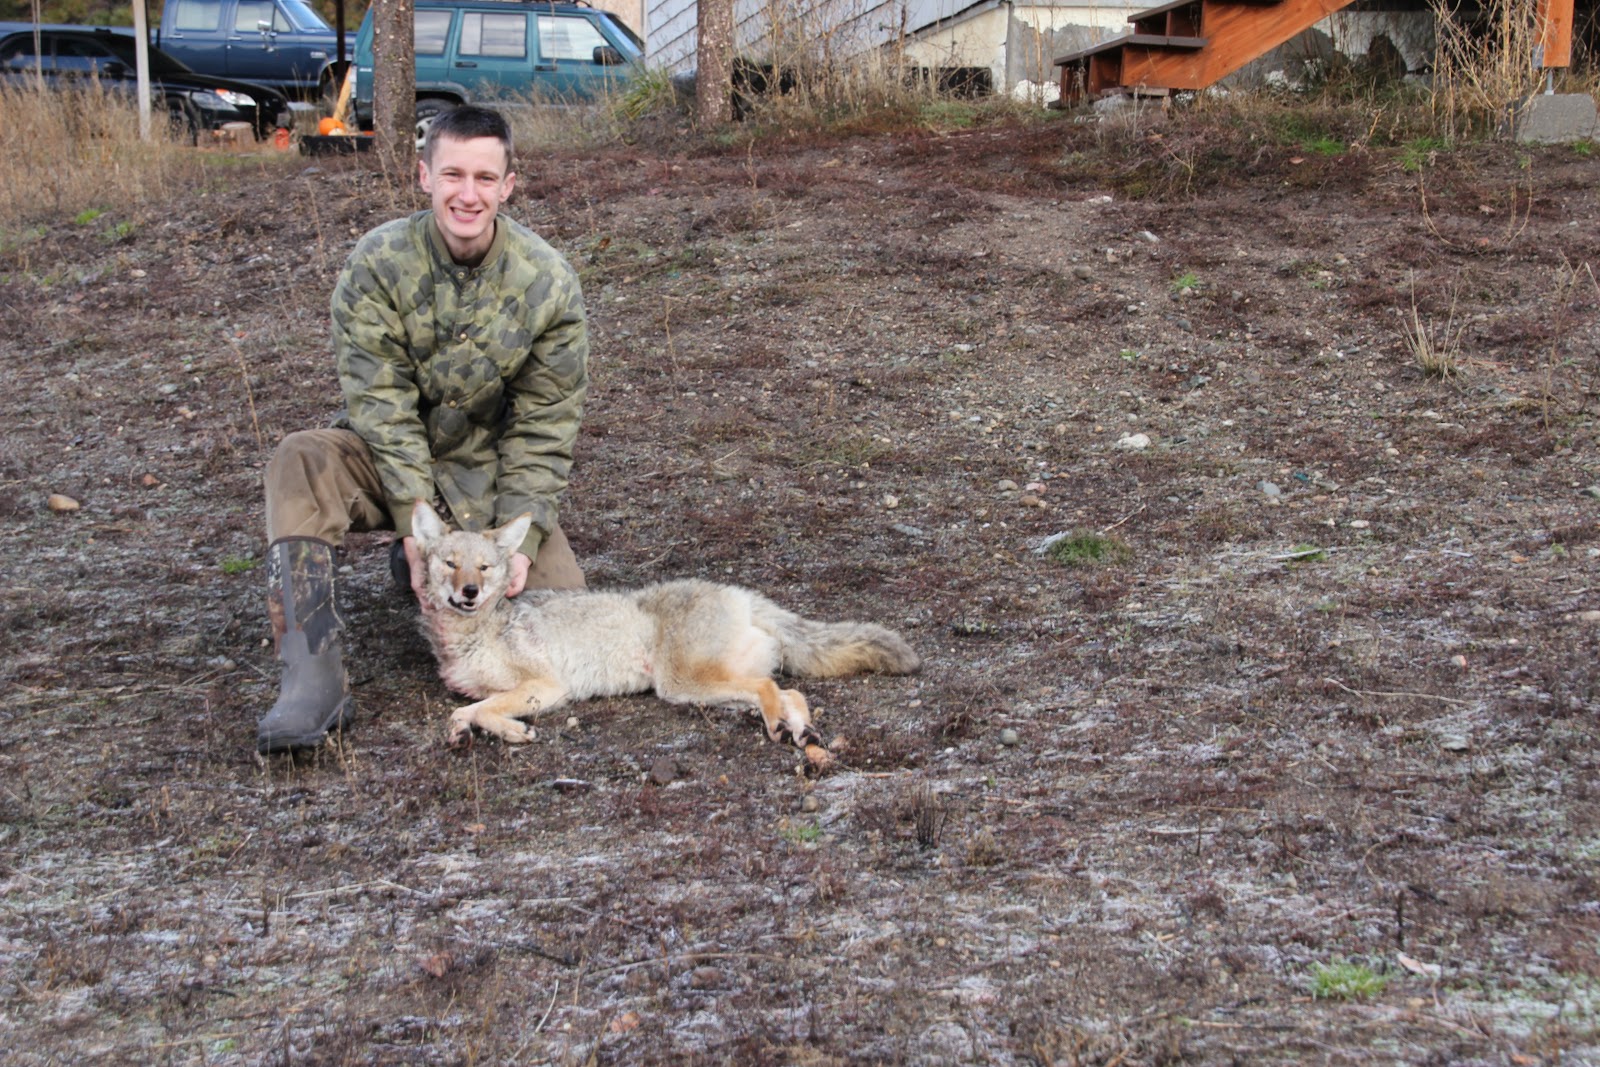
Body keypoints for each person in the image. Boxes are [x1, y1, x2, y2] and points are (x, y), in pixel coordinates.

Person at [256, 104, 589, 754]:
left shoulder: (548, 282)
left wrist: (521, 536)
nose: (469, 194)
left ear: (508, 185)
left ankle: (435, 571)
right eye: (453, 174)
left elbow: (544, 426)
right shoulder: (377, 261)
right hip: (384, 458)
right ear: (424, 176)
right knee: (298, 460)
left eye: (485, 178)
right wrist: (418, 531)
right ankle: (311, 678)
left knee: (561, 606)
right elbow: (380, 402)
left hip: (482, 480)